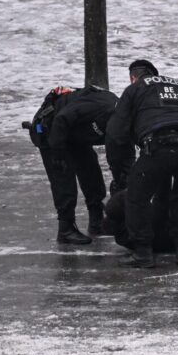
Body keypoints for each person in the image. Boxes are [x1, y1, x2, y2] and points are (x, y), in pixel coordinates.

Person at [106, 59, 178, 268]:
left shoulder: (134, 89)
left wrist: (121, 169)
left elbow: (116, 133)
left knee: (136, 196)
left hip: (159, 145)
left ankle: (143, 253)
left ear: (133, 77)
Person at [33, 85, 118, 244]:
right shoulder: (100, 107)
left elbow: (121, 156)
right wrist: (58, 153)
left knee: (91, 170)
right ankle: (66, 229)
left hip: (75, 133)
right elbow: (62, 118)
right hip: (51, 129)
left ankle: (96, 222)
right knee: (64, 179)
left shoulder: (123, 120)